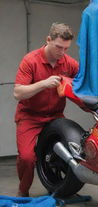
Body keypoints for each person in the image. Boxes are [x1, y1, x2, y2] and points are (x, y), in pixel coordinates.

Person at [13, 22, 79, 197]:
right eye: (58, 47)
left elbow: (82, 84)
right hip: (30, 116)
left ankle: (58, 186)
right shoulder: (30, 60)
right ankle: (23, 191)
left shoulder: (68, 63)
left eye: (66, 48)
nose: (62, 53)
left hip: (55, 116)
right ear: (48, 40)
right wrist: (43, 83)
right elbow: (18, 93)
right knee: (27, 158)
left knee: (72, 151)